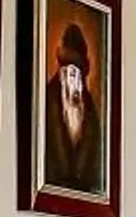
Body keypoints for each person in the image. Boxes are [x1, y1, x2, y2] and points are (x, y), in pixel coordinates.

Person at [40, 18, 106, 198]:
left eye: (76, 75)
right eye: (68, 74)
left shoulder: (90, 112)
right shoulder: (47, 102)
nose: (73, 82)